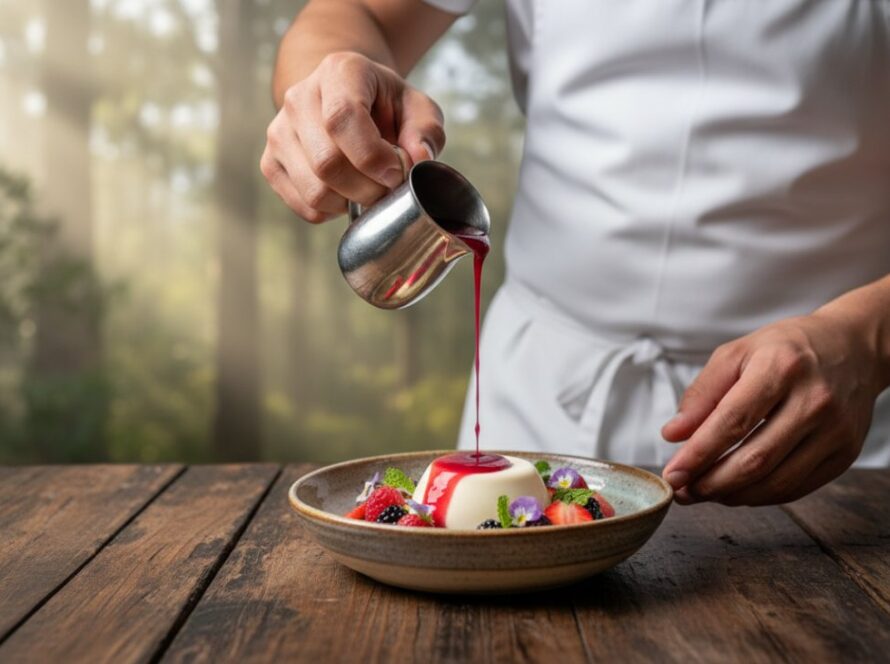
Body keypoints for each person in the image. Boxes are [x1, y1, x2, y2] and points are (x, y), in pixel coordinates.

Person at [260, 0, 890, 506]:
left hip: (825, 419)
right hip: (540, 393)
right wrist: (332, 81)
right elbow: (348, 15)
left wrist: (867, 340)